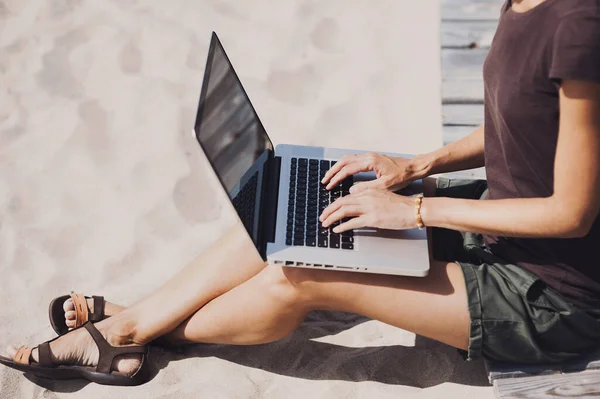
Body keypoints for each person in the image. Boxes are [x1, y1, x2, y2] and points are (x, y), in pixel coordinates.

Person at [2, 0, 600, 386]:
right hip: (494, 220)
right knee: (289, 202)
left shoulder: (578, 27)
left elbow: (572, 213)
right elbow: (519, 117)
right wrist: (418, 163)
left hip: (552, 297)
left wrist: (414, 206)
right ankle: (137, 322)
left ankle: (132, 332)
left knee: (301, 272)